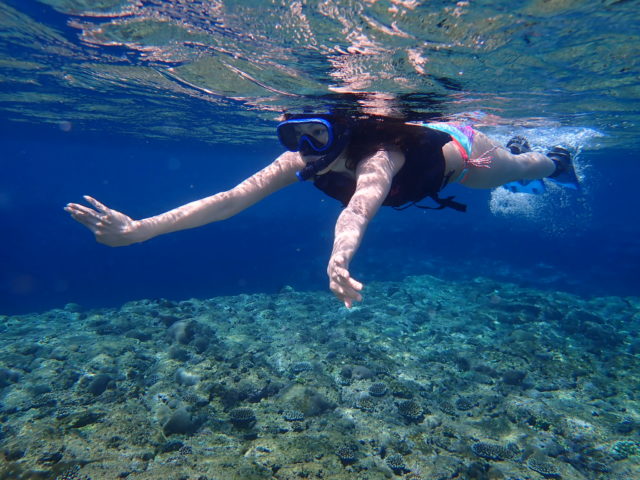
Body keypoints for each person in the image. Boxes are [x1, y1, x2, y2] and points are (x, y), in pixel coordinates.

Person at [65, 113, 579, 308]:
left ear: (345, 131)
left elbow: (357, 211)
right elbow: (229, 201)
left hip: (458, 153)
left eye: (319, 135)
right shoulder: (300, 158)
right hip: (426, 177)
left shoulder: (382, 156)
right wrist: (140, 230)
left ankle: (557, 158)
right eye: (297, 136)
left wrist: (339, 261)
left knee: (515, 169)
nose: (307, 147)